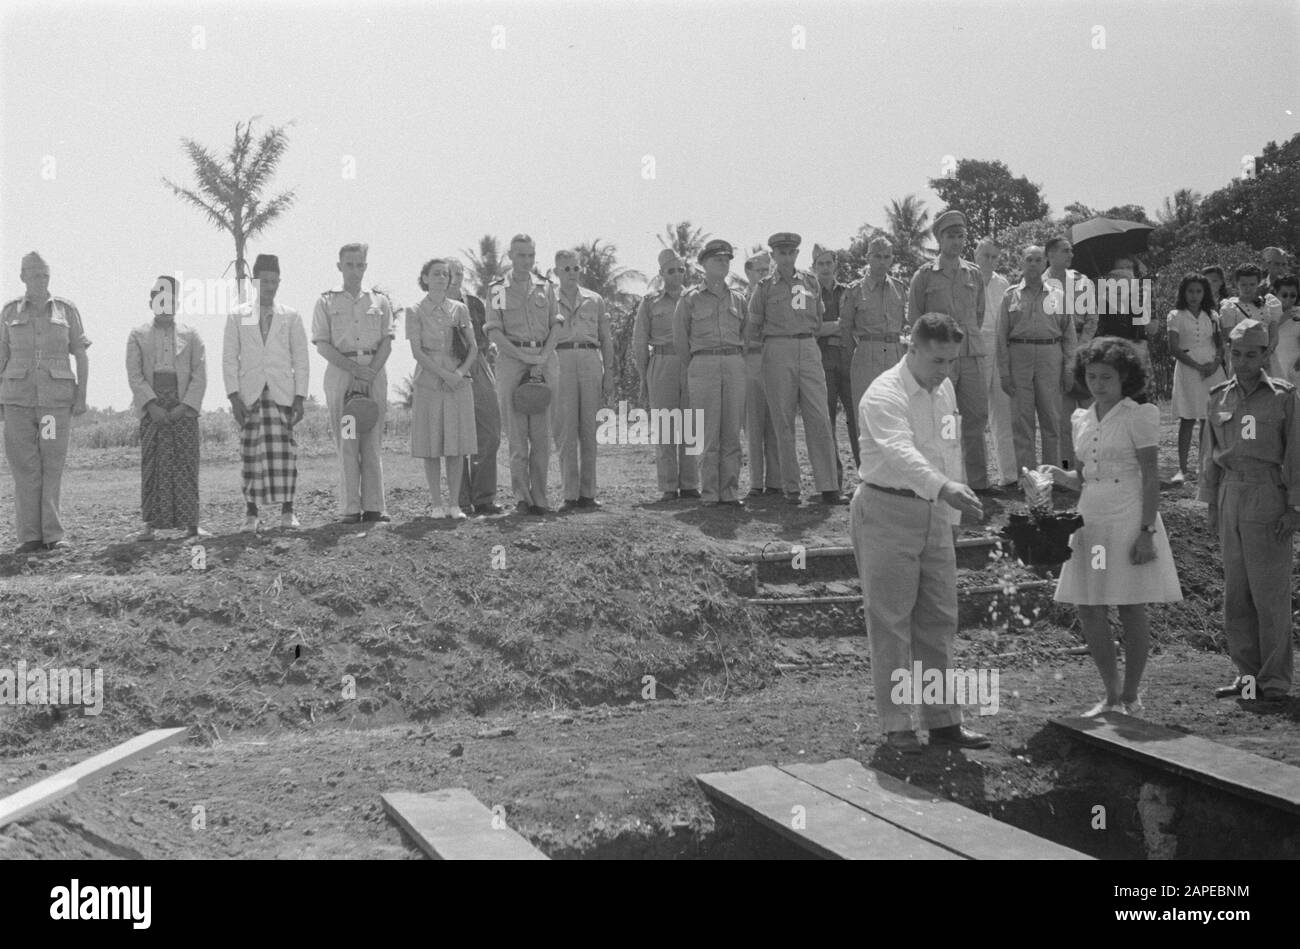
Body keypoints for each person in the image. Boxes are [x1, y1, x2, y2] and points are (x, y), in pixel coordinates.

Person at [852, 312, 988, 753]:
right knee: (891, 622)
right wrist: (945, 488)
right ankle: (897, 725)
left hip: (935, 513)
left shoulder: (944, 390)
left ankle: (944, 721)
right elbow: (900, 453)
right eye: (936, 361)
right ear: (911, 349)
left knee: (939, 619)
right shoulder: (883, 394)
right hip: (886, 509)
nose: (944, 371)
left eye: (951, 361)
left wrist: (951, 514)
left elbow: (947, 450)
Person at [1041, 337, 1182, 716]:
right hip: (1092, 521)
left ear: (1124, 379)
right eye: (1091, 376)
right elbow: (1085, 477)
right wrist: (1056, 475)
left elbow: (1151, 478)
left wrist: (1146, 532)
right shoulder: (1081, 418)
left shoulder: (1140, 414)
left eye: (1107, 377)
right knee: (1089, 607)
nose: (1098, 384)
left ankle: (1132, 696)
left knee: (1131, 606)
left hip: (1128, 517)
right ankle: (1111, 694)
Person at [1200, 318, 1300, 710]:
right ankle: (1246, 679)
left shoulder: (1283, 397)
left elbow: (1296, 453)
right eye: (1236, 353)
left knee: (1269, 594)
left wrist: (1295, 507)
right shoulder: (1218, 396)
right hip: (1230, 494)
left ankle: (1274, 682)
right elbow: (1210, 456)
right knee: (1235, 595)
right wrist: (1211, 503)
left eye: (1251, 354)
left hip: (1267, 494)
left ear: (1266, 354)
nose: (1242, 361)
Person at [0, 251, 90, 553]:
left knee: (51, 464)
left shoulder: (66, 310)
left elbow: (80, 353)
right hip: (17, 403)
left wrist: (82, 395)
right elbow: (1, 358)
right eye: (35, 275)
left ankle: (53, 535)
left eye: (45, 275)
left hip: (53, 405)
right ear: (23, 276)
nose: (41, 281)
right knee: (25, 467)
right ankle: (29, 537)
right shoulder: (9, 311)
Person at [749, 232, 845, 505]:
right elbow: (753, 327)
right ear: (774, 257)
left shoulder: (810, 282)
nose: (787, 258)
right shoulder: (765, 287)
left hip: (808, 347)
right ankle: (791, 488)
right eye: (781, 253)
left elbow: (817, 320)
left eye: (791, 253)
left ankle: (829, 487)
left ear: (797, 255)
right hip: (777, 350)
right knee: (783, 419)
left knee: (819, 416)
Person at [224, 253, 309, 531]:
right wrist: (233, 396)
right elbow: (229, 357)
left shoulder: (291, 317)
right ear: (254, 281)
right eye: (264, 281)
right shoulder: (240, 315)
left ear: (279, 282)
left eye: (274, 281)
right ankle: (251, 515)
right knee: (251, 455)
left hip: (281, 393)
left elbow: (301, 359)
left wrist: (300, 397)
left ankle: (288, 512)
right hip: (250, 394)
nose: (269, 287)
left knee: (285, 455)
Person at [312, 243, 395, 524]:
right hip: (342, 374)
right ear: (339, 266)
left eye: (360, 265)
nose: (355, 270)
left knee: (371, 439)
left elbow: (387, 341)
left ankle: (374, 506)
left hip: (374, 372)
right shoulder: (326, 301)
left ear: (366, 267)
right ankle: (350, 507)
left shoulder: (380, 302)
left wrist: (369, 371)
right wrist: (353, 370)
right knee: (348, 440)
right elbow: (322, 344)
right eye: (350, 264)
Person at [908, 210, 990, 491]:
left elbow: (978, 314)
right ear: (939, 239)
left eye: (960, 236)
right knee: (944, 418)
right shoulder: (924, 276)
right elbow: (916, 320)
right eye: (950, 236)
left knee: (976, 417)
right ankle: (945, 478)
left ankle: (978, 483)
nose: (956, 241)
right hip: (941, 358)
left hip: (971, 354)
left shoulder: (974, 274)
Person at [485, 234, 564, 516]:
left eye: (531, 255)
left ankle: (541, 499)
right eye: (521, 255)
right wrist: (524, 358)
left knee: (542, 436)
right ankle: (522, 498)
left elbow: (557, 324)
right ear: (510, 255)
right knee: (517, 437)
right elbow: (493, 330)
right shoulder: (497, 288)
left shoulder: (546, 287)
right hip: (512, 361)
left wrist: (542, 357)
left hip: (544, 360)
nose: (526, 261)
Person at [127, 276, 207, 541]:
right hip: (153, 408)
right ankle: (150, 526)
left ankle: (191, 525)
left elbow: (199, 374)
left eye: (169, 300)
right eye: (159, 299)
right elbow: (135, 374)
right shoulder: (138, 335)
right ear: (151, 302)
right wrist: (151, 405)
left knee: (186, 463)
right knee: (152, 463)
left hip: (182, 405)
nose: (164, 305)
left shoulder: (191, 335)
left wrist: (184, 406)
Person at [673, 239, 748, 508]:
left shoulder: (738, 299)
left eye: (727, 259)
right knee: (708, 432)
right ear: (703, 264)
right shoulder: (690, 298)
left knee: (731, 430)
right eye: (717, 259)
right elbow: (680, 340)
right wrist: (696, 365)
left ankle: (729, 491)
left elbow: (746, 336)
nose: (723, 263)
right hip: (703, 365)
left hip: (733, 363)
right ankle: (710, 492)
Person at [996, 245, 1077, 474]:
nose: (1033, 264)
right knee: (1022, 421)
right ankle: (1028, 478)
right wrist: (1003, 372)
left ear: (1045, 264)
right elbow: (1000, 337)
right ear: (1021, 263)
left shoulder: (1058, 295)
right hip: (1019, 357)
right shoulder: (1010, 295)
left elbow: (1069, 336)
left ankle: (1052, 475)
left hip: (1050, 357)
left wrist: (1069, 369)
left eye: (1038, 260)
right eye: (1028, 259)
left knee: (1052, 419)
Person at [407, 259, 478, 519]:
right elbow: (417, 351)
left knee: (456, 444)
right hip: (429, 380)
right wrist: (443, 375)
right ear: (424, 278)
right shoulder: (414, 311)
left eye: (445, 275)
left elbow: (473, 347)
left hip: (458, 382)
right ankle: (436, 504)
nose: (440, 278)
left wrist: (458, 374)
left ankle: (455, 504)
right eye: (435, 274)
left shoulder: (459, 310)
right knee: (432, 443)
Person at [632, 249, 700, 501]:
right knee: (666, 426)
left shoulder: (695, 299)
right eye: (670, 271)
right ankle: (669, 486)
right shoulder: (650, 302)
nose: (676, 275)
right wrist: (643, 377)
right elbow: (639, 341)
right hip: (661, 362)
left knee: (692, 424)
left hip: (691, 361)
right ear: (661, 274)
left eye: (680, 270)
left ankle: (691, 483)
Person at [552, 249, 615, 511]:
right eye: (566, 269)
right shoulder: (547, 299)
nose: (572, 273)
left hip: (590, 360)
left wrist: (609, 372)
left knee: (589, 431)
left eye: (576, 268)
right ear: (556, 272)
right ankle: (570, 494)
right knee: (566, 431)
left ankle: (588, 493)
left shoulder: (594, 299)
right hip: (561, 360)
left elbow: (606, 337)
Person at [448, 259, 504, 516]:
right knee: (456, 434)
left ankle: (484, 498)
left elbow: (485, 338)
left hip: (479, 363)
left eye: (459, 273)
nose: (455, 278)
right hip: (448, 367)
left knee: (489, 429)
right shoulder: (435, 305)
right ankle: (460, 499)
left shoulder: (474, 303)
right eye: (450, 273)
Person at [841, 237, 908, 444]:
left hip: (895, 354)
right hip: (866, 354)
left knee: (895, 415)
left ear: (892, 259)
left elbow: (906, 323)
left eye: (886, 257)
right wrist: (858, 356)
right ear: (868, 258)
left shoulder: (899, 288)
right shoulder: (854, 290)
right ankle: (871, 474)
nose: (882, 261)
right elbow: (845, 329)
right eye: (877, 256)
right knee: (868, 417)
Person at [1166, 274, 1227, 482]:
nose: (1194, 295)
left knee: (1207, 418)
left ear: (1204, 293)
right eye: (1190, 291)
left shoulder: (1212, 314)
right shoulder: (1176, 315)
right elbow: (1173, 348)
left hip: (1212, 369)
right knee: (1188, 418)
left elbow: (1220, 344)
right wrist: (1196, 365)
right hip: (1189, 369)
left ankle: (1204, 466)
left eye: (1198, 291)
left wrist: (1215, 363)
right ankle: (1182, 469)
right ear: (1184, 292)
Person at [1045, 237, 1097, 469]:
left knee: (1089, 413)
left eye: (1071, 251)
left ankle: (1091, 464)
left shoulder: (1082, 282)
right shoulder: (1039, 282)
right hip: (1053, 352)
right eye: (1065, 251)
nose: (1070, 255)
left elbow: (1092, 318)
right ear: (1050, 254)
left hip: (1082, 352)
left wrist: (1080, 346)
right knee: (1062, 419)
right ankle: (1066, 467)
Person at [812, 244, 855, 488]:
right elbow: (812, 328)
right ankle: (833, 482)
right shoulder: (808, 293)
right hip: (823, 360)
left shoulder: (849, 292)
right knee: (826, 421)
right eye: (820, 264)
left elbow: (855, 323)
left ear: (835, 265)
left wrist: (830, 326)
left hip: (848, 359)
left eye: (829, 263)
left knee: (855, 419)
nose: (825, 268)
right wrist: (839, 325)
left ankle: (866, 477)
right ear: (814, 267)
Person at [975, 238, 1016, 487]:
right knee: (975, 413)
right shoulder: (966, 279)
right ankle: (977, 477)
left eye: (994, 257)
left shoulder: (1004, 285)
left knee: (1003, 412)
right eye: (985, 255)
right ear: (976, 254)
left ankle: (1009, 475)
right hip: (975, 347)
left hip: (1000, 346)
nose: (989, 260)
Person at [741, 251, 781, 498]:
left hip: (774, 359)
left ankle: (776, 480)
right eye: (759, 270)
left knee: (776, 423)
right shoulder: (738, 298)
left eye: (767, 270)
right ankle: (756, 482)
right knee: (753, 424)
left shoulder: (776, 296)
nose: (763, 274)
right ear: (748, 271)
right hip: (751, 360)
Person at [1218, 263, 1283, 362]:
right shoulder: (1230, 307)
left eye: (1252, 284)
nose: (1247, 288)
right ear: (1236, 283)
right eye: (1243, 284)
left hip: (1268, 356)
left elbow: (1274, 334)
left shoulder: (1269, 303)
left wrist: (1268, 352)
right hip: (1243, 358)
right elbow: (1231, 338)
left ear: (1259, 283)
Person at [1271, 275, 1300, 386]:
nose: (1288, 299)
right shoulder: (1267, 313)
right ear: (1276, 293)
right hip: (1276, 367)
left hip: (1297, 367)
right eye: (1284, 295)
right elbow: (1264, 337)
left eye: (1293, 295)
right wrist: (1282, 318)